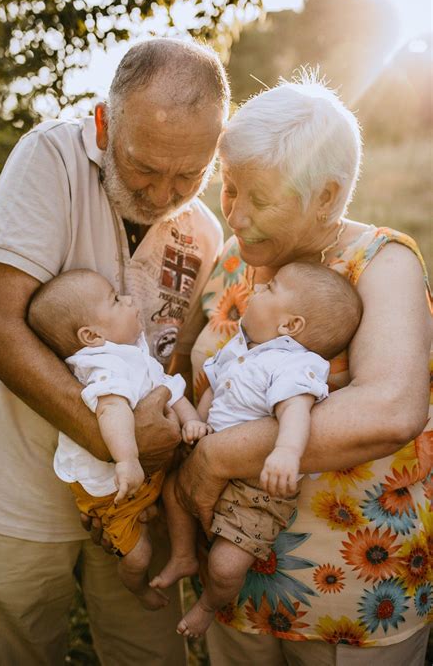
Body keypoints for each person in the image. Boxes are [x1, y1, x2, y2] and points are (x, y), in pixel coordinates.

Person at [0, 37, 229, 665]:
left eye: (189, 175)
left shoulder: (207, 233)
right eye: (144, 168)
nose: (164, 195)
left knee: (149, 654)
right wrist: (118, 445)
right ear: (106, 124)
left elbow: (170, 362)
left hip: (137, 503)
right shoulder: (48, 157)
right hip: (15, 494)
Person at [175, 72, 432, 665]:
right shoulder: (235, 260)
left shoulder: (379, 263)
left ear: (327, 194)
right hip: (233, 587)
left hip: (346, 597)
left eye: (259, 198)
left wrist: (217, 457)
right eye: (230, 187)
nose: (235, 215)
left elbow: (391, 409)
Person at [152, 261, 362, 637]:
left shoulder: (294, 365)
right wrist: (198, 422)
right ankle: (183, 556)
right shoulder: (241, 349)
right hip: (209, 462)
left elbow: (296, 411)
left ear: (290, 326)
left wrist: (286, 452)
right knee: (173, 492)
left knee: (225, 566)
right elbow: (216, 390)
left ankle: (208, 605)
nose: (258, 290)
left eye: (271, 289)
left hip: (254, 492)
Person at [28, 268, 208, 611]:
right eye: (115, 299)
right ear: (92, 335)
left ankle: (183, 556)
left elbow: (168, 388)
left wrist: (192, 422)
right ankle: (138, 587)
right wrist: (127, 460)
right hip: (112, 488)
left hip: (141, 479)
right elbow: (112, 410)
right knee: (139, 556)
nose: (128, 300)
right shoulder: (103, 366)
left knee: (176, 501)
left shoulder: (131, 354)